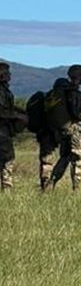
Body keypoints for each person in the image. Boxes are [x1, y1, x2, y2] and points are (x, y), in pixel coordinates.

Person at [49, 64, 81, 192]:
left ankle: (51, 183)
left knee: (64, 158)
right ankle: (76, 189)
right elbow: (77, 113)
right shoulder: (75, 93)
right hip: (75, 130)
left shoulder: (62, 92)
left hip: (63, 130)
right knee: (77, 159)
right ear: (80, 77)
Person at [0, 62, 27, 192]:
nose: (9, 75)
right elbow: (2, 111)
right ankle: (7, 188)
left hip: (4, 129)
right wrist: (18, 116)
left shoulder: (4, 90)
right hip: (2, 129)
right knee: (7, 158)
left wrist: (20, 111)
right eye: (6, 73)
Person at [38, 79, 68, 192]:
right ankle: (49, 186)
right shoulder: (62, 100)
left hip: (44, 132)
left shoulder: (46, 98)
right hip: (56, 132)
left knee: (46, 161)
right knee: (63, 157)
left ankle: (44, 186)